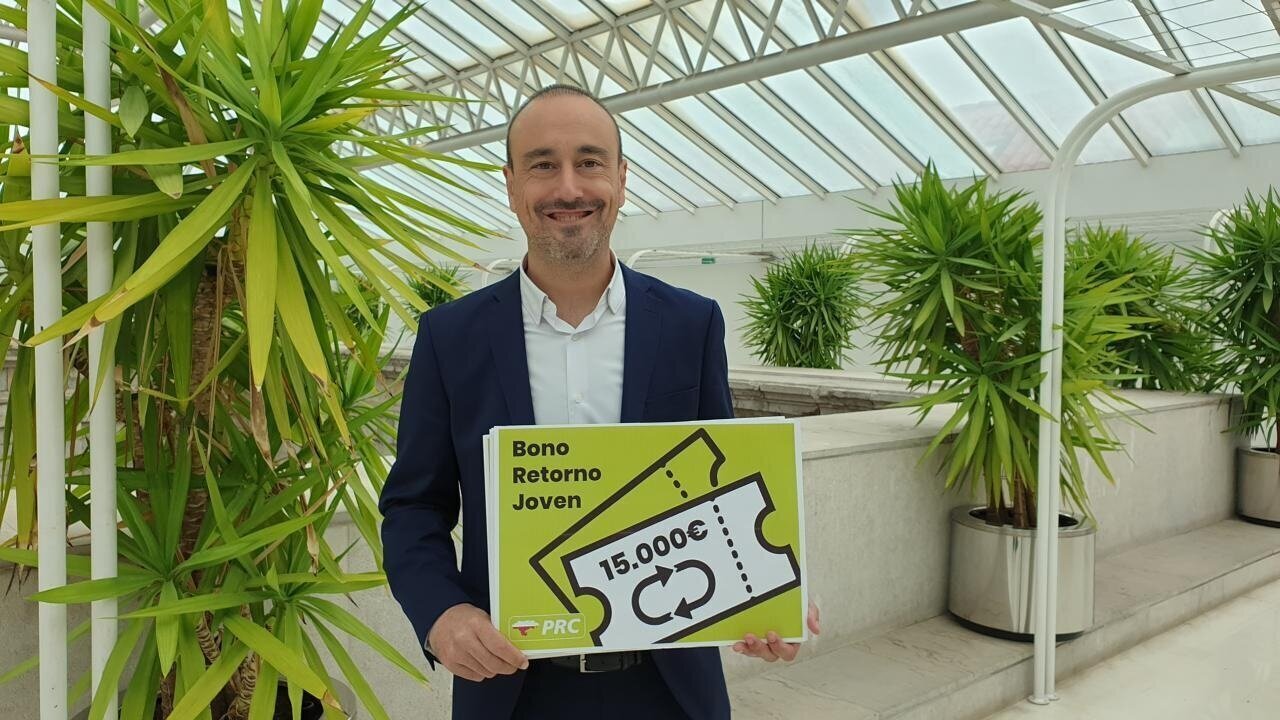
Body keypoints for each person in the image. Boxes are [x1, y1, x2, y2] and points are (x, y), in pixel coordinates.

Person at [379, 84, 820, 720]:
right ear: (511, 185)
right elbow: (414, 505)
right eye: (542, 165)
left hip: (670, 688)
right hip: (512, 685)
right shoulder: (451, 338)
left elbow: (721, 485)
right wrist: (441, 614)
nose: (568, 187)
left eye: (589, 162)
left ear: (621, 178)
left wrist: (766, 594)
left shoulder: (691, 324)